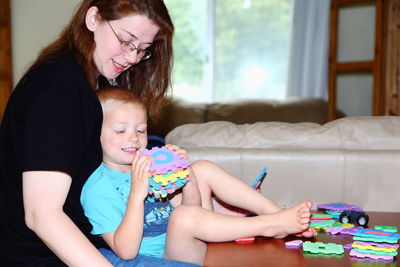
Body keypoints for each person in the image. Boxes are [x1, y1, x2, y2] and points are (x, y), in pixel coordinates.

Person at [0, 1, 175, 266]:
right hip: (42, 257)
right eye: (127, 41)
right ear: (93, 18)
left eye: (142, 50)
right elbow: (42, 214)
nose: (132, 58)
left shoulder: (90, 83)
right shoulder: (60, 89)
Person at [81, 86, 317, 266]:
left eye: (141, 130)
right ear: (95, 134)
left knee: (201, 167)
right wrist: (136, 195)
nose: (133, 138)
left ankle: (275, 213)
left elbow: (193, 207)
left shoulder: (153, 165)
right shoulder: (97, 188)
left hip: (194, 234)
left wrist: (186, 175)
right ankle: (267, 225)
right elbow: (126, 252)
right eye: (120, 130)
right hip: (167, 257)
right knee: (183, 218)